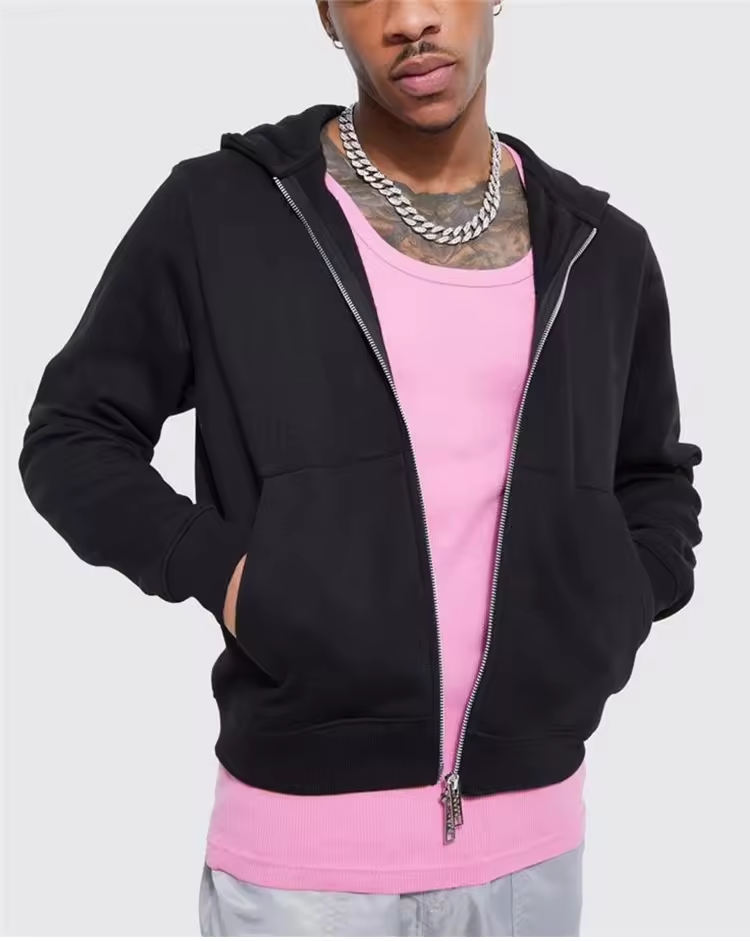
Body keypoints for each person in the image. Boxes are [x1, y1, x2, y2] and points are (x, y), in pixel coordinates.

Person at [18, 0, 703, 936]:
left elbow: (651, 475)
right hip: (304, 868)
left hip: (535, 850)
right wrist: (226, 575)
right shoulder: (222, 212)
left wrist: (620, 597)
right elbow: (74, 432)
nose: (410, 19)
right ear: (326, 15)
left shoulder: (601, 249)